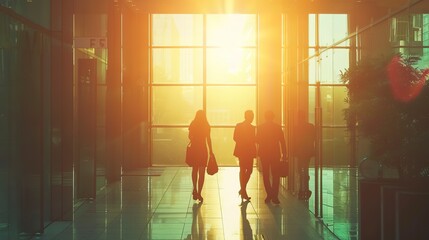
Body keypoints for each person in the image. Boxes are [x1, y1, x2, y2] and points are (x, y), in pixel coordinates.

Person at [256, 110, 287, 204]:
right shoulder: (277, 127)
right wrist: (284, 154)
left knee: (265, 174)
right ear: (273, 117)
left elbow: (257, 140)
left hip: (264, 153)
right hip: (275, 153)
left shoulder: (261, 127)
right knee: (275, 175)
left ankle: (269, 194)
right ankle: (274, 196)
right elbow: (282, 141)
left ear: (265, 117)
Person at [189, 110, 213, 203]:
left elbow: (189, 136)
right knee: (202, 172)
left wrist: (195, 138)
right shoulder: (206, 125)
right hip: (203, 150)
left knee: (195, 170)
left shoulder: (193, 124)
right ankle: (199, 192)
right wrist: (211, 151)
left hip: (195, 149)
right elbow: (208, 139)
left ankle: (194, 188)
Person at [233, 110, 257, 201]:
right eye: (252, 116)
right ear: (248, 116)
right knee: (246, 170)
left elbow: (235, 137)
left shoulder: (240, 126)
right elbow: (235, 137)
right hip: (247, 151)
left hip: (242, 150)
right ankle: (243, 190)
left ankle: (243, 190)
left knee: (244, 170)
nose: (252, 118)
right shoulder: (251, 128)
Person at [294, 110, 315, 200]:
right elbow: (314, 138)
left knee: (300, 170)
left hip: (299, 151)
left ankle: (301, 189)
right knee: (305, 168)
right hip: (307, 151)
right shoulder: (310, 126)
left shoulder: (296, 127)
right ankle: (305, 188)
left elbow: (294, 140)